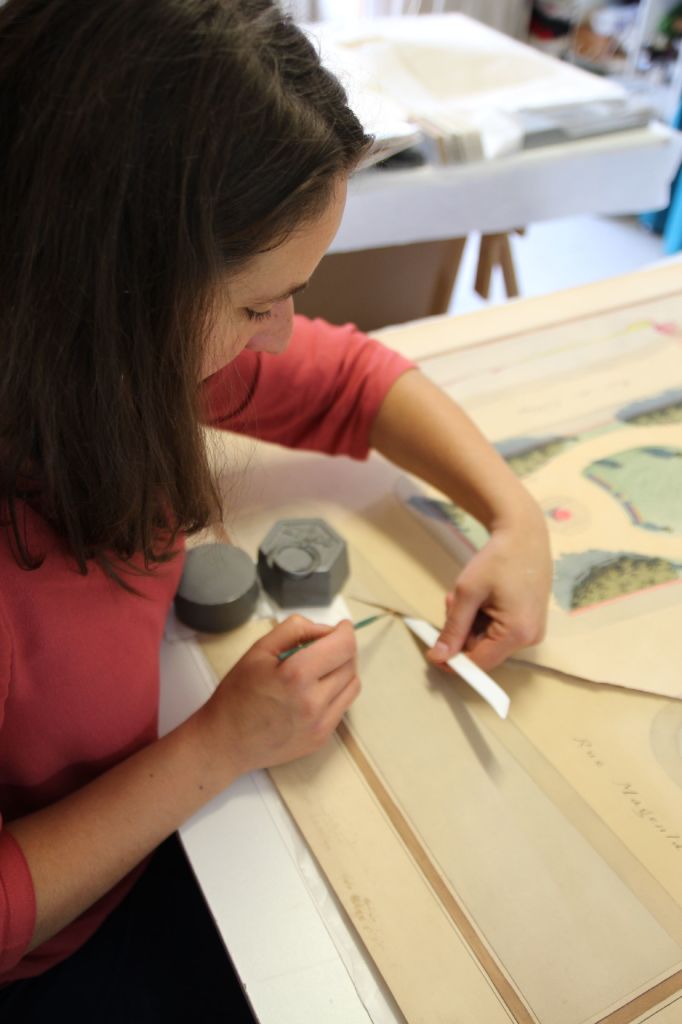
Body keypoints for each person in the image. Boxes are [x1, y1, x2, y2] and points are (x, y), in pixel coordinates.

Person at [0, 0, 553, 1019]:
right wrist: (214, 747)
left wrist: (516, 517)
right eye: (259, 305)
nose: (282, 333)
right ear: (113, 284)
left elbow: (349, 380)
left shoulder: (106, 359)